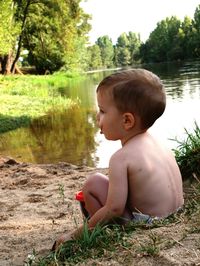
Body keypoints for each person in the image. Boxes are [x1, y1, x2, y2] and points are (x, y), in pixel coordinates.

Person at [53, 68, 184, 249]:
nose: (98, 116)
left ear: (127, 121)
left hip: (147, 225)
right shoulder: (158, 144)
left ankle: (98, 232)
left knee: (93, 184)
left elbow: (114, 208)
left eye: (102, 111)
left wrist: (75, 235)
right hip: (175, 215)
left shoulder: (121, 158)